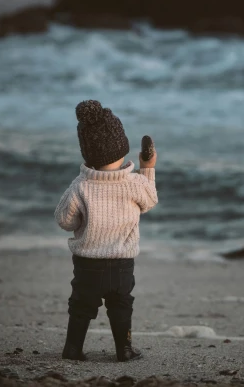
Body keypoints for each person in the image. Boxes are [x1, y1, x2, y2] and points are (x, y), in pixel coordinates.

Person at [54, 99, 158, 362]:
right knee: (121, 306)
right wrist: (148, 168)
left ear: (87, 153)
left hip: (87, 263)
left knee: (81, 306)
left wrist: (83, 224)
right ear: (122, 148)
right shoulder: (134, 183)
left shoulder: (80, 185)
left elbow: (64, 220)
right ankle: (124, 350)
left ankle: (72, 349)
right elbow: (149, 201)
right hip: (121, 263)